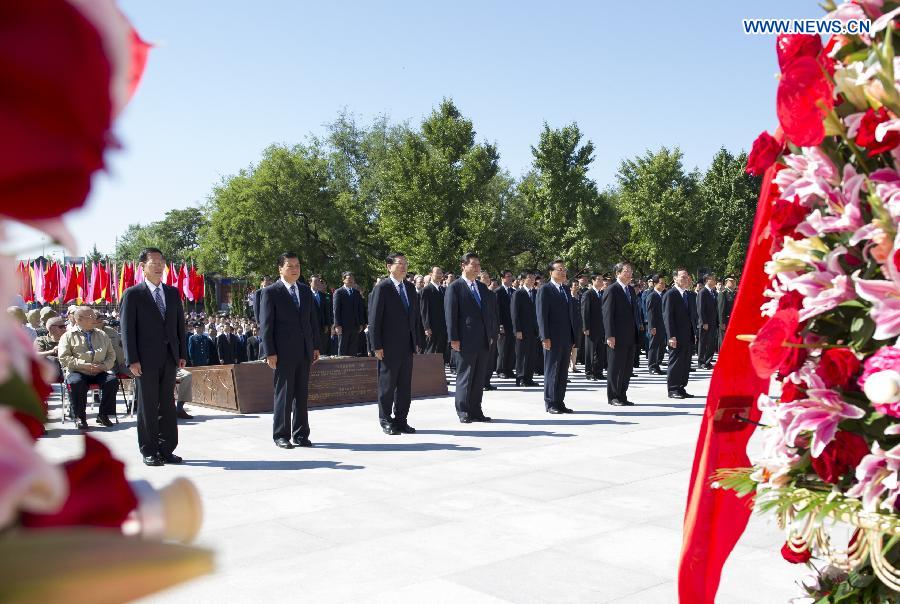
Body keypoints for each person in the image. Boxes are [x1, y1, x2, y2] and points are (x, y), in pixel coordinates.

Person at [120, 247, 187, 466]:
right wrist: (132, 359)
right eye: (153, 262)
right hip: (145, 360)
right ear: (143, 267)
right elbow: (127, 330)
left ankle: (166, 448)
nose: (159, 266)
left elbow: (179, 326)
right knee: (148, 405)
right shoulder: (133, 294)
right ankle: (149, 450)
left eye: (161, 262)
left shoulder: (172, 292)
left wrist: (181, 354)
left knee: (167, 404)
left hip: (169, 358)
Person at [259, 252, 321, 449]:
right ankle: (281, 435)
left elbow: (312, 321)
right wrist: (269, 352)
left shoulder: (304, 290)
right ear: (280, 269)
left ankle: (301, 434)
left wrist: (315, 346)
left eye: (297, 265)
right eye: (290, 266)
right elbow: (266, 325)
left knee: (301, 395)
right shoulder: (271, 292)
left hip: (304, 351)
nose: (295, 269)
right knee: (284, 395)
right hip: (282, 353)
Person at [370, 253, 421, 435]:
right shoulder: (382, 288)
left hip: (407, 345)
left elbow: (415, 318)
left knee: (404, 385)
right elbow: (375, 319)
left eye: (405, 263)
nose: (403, 266)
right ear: (389, 266)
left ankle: (401, 420)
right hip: (388, 346)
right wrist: (376, 345)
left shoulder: (409, 287)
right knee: (387, 385)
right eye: (400, 263)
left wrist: (416, 341)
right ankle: (385, 420)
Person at [444, 252, 495, 423]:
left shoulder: (481, 288)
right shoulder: (455, 287)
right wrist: (454, 338)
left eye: (478, 265)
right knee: (465, 376)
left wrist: (490, 334)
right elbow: (451, 314)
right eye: (473, 264)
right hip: (464, 339)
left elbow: (487, 314)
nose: (477, 268)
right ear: (463, 266)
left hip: (482, 338)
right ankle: (463, 410)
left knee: (479, 376)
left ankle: (476, 409)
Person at [58, 307, 119, 429]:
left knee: (112, 381)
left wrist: (103, 366)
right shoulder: (67, 336)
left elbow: (111, 355)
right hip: (78, 370)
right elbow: (64, 357)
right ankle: (80, 417)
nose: (95, 319)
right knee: (76, 383)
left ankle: (103, 415)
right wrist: (83, 365)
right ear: (79, 319)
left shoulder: (102, 335)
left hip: (99, 370)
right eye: (90, 316)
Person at [537, 259, 576, 414]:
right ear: (551, 272)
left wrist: (573, 337)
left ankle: (560, 401)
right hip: (552, 338)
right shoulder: (545, 289)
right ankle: (550, 402)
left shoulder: (566, 290)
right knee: (552, 370)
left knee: (562, 372)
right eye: (560, 269)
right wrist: (544, 336)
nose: (563, 271)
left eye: (564, 269)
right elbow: (541, 315)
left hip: (566, 338)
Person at [602, 262, 638, 406]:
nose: (629, 274)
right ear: (617, 273)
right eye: (626, 271)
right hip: (616, 336)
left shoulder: (630, 290)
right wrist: (609, 335)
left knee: (626, 368)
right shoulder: (612, 290)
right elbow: (607, 314)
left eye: (630, 271)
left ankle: (622, 394)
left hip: (629, 335)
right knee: (615, 367)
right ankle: (613, 396)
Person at [663, 267, 696, 399]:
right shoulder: (670, 294)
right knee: (676, 362)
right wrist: (671, 336)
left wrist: (694, 333)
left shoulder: (689, 295)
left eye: (687, 276)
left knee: (685, 362)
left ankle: (681, 387)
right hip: (676, 335)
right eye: (682, 276)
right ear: (675, 278)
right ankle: (673, 389)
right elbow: (668, 317)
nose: (686, 279)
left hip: (687, 334)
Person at [511, 270, 539, 387]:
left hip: (533, 330)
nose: (532, 280)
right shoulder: (518, 293)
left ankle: (529, 377)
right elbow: (515, 313)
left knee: (532, 354)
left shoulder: (536, 293)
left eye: (533, 278)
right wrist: (517, 330)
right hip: (522, 330)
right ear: (522, 280)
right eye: (529, 278)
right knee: (522, 354)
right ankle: (521, 378)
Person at [333, 271, 365, 356]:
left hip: (355, 325)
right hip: (343, 326)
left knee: (353, 348)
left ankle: (352, 367)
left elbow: (360, 309)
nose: (351, 281)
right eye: (349, 279)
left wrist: (361, 323)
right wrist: (337, 325)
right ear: (343, 280)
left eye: (352, 279)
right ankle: (341, 367)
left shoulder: (356, 292)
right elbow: (336, 310)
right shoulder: (338, 292)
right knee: (343, 347)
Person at [581, 273, 606, 381]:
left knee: (600, 350)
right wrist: (585, 327)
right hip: (591, 327)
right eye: (598, 279)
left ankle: (598, 371)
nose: (601, 282)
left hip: (602, 327)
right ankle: (589, 372)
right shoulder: (588, 294)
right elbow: (585, 311)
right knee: (590, 351)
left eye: (602, 280)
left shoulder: (603, 293)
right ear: (593, 281)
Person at [420, 266, 447, 362]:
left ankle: (439, 374)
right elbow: (424, 310)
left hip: (443, 326)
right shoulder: (426, 290)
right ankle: (428, 374)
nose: (440, 275)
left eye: (441, 273)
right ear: (431, 274)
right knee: (430, 350)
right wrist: (426, 327)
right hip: (432, 327)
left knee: (441, 351)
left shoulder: (443, 290)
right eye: (437, 273)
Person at [479, 268, 500, 391]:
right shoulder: (477, 293)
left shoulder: (492, 294)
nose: (487, 279)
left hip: (492, 330)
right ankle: (480, 382)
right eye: (484, 277)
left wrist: (496, 330)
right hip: (482, 332)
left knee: (490, 358)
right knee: (482, 358)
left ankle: (487, 381)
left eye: (488, 277)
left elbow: (495, 314)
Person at [495, 270, 516, 379]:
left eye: (511, 276)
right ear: (502, 278)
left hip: (512, 325)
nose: (510, 278)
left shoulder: (513, 291)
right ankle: (501, 370)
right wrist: (500, 325)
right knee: (502, 349)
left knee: (511, 348)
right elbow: (497, 310)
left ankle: (509, 369)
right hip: (503, 325)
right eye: (508, 276)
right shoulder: (498, 291)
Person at [34, 316, 67, 383]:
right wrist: (52, 351)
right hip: (50, 371)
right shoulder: (42, 340)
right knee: (52, 359)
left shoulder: (68, 339)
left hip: (68, 367)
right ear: (51, 329)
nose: (64, 329)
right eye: (61, 327)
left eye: (65, 326)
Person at [646, 275, 667, 375]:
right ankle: (652, 366)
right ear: (655, 284)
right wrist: (651, 327)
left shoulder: (663, 295)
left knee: (661, 346)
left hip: (662, 326)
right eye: (661, 283)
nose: (663, 285)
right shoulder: (652, 296)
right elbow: (650, 313)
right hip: (655, 326)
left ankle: (657, 364)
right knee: (653, 346)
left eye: (664, 283)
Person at [697, 273, 719, 370]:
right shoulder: (703, 292)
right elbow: (700, 309)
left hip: (713, 322)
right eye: (712, 279)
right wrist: (703, 322)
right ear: (707, 280)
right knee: (703, 342)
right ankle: (701, 361)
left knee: (711, 343)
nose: (714, 281)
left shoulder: (713, 292)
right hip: (705, 323)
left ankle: (707, 361)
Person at [309, 274, 333, 357]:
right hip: (310, 325)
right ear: (310, 282)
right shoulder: (306, 294)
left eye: (318, 281)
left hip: (322, 326)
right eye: (315, 281)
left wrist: (327, 324)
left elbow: (327, 311)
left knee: (323, 346)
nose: (318, 283)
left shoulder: (323, 295)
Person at [718, 276, 737, 347]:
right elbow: (721, 309)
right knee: (724, 342)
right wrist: (722, 322)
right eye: (732, 281)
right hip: (726, 321)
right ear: (726, 282)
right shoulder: (723, 293)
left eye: (734, 281)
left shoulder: (736, 293)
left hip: (734, 321)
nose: (734, 283)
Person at [569, 280, 583, 373]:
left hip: (578, 325)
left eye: (577, 285)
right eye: (575, 285)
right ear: (570, 287)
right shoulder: (568, 297)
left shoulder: (580, 297)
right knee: (569, 346)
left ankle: (573, 365)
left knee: (576, 347)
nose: (577, 287)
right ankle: (569, 366)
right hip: (570, 325)